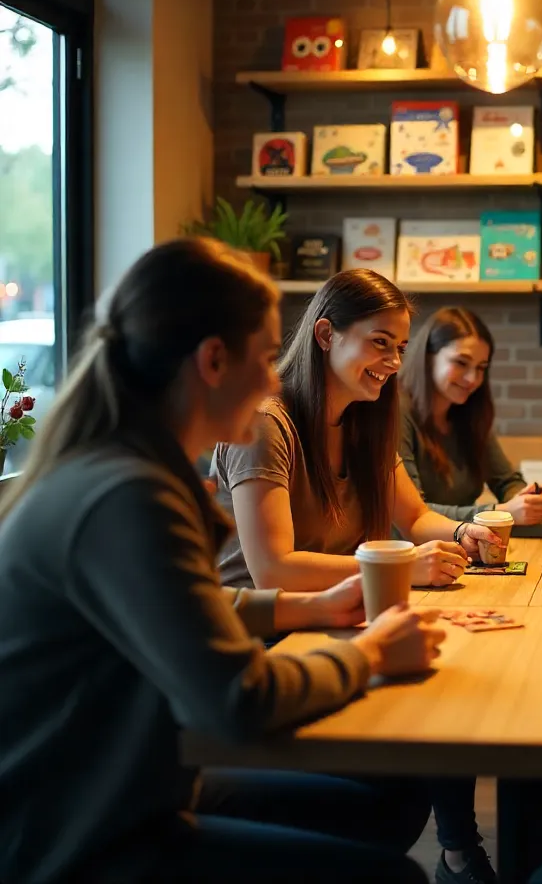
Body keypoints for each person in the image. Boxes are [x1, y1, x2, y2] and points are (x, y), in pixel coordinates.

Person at [0, 239, 444, 884]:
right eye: (264, 357)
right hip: (71, 834)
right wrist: (370, 654)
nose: (273, 379)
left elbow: (187, 606)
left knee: (392, 799)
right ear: (212, 361)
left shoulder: (129, 467)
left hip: (129, 788)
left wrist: (311, 607)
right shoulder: (128, 494)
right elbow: (239, 700)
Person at [213, 273, 502, 884]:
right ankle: (458, 855)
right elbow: (273, 569)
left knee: (443, 678)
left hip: (336, 617)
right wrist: (400, 565)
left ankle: (459, 852)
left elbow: (415, 518)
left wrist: (463, 533)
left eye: (400, 348)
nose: (394, 363)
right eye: (380, 343)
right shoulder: (267, 423)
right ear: (325, 335)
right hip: (268, 635)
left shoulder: (365, 418)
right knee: (420, 724)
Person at [399, 306, 542, 524]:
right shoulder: (396, 412)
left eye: (481, 368)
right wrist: (499, 512)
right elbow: (412, 514)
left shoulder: (468, 412)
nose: (472, 379)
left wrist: (532, 502)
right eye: (461, 363)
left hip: (462, 540)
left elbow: (506, 482)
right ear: (427, 357)